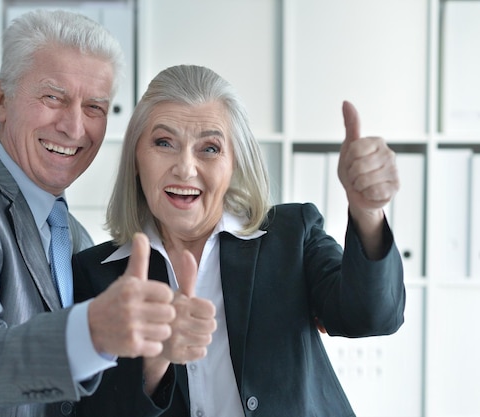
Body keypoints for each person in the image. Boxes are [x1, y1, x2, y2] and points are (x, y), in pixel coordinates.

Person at [72, 64, 405, 416]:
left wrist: (368, 211)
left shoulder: (292, 234)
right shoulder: (95, 274)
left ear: (234, 164)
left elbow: (370, 317)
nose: (185, 168)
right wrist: (155, 362)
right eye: (164, 142)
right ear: (137, 158)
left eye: (210, 149)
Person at [0, 10, 178, 417]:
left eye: (95, 107)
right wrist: (93, 330)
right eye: (53, 98)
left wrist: (154, 362)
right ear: (2, 100)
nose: (75, 128)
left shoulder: (75, 238)